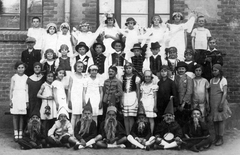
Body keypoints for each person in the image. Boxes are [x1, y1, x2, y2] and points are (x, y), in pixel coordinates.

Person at [210, 64, 231, 146]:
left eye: (216, 70)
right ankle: (216, 137)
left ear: (220, 71)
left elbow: (225, 93)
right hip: (213, 104)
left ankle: (221, 138)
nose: (214, 72)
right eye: (213, 70)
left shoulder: (223, 80)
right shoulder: (211, 80)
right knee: (215, 120)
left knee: (220, 121)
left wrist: (221, 104)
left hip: (220, 103)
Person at [9, 61, 29, 141]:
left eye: (22, 68)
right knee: (15, 115)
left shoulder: (26, 77)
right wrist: (10, 100)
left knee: (21, 116)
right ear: (16, 69)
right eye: (19, 68)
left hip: (23, 97)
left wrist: (27, 101)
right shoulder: (14, 77)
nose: (21, 69)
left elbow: (27, 90)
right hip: (16, 97)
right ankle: (15, 132)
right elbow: (11, 89)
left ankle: (20, 132)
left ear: (24, 69)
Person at [122, 62, 141, 135]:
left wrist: (138, 100)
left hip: (133, 96)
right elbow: (122, 89)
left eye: (129, 68)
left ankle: (131, 134)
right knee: (125, 116)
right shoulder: (123, 77)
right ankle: (127, 134)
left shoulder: (136, 77)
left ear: (132, 68)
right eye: (126, 68)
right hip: (125, 96)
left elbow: (138, 90)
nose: (128, 70)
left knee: (131, 116)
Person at [37, 71, 57, 137]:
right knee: (45, 119)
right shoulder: (44, 85)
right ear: (46, 77)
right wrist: (46, 97)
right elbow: (38, 95)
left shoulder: (54, 85)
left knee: (52, 120)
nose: (50, 78)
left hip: (52, 104)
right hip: (46, 104)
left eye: (51, 76)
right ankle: (44, 135)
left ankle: (51, 135)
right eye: (48, 76)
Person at [68, 61, 85, 131]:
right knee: (74, 115)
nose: (80, 68)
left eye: (81, 66)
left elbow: (84, 89)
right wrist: (69, 100)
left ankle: (76, 132)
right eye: (78, 66)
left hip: (80, 97)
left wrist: (84, 100)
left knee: (79, 115)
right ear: (75, 67)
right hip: (74, 97)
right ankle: (71, 133)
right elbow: (69, 88)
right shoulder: (72, 76)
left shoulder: (84, 76)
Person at [174, 62, 193, 127]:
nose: (181, 70)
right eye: (179, 69)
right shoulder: (175, 78)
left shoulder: (188, 78)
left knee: (185, 119)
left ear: (185, 70)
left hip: (185, 102)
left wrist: (183, 103)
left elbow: (189, 91)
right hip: (177, 101)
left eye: (183, 69)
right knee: (177, 119)